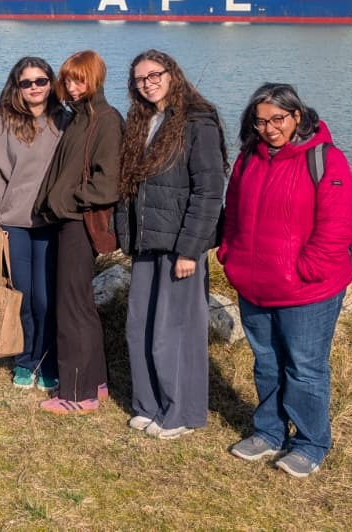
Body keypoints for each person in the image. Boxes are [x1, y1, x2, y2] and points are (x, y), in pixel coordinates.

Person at [218, 83, 352, 478]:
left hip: (307, 289)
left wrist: (305, 270)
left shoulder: (326, 159)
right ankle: (269, 432)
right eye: (260, 121)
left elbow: (336, 228)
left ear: (297, 116)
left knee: (305, 368)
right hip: (254, 283)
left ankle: (311, 443)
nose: (269, 128)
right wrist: (230, 254)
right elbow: (232, 213)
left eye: (278, 119)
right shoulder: (249, 159)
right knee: (265, 362)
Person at [115, 49, 227, 440]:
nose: (148, 83)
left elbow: (209, 192)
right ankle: (149, 403)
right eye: (140, 79)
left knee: (175, 331)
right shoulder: (143, 120)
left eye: (154, 74)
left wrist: (189, 250)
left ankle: (181, 411)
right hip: (148, 242)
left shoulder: (198, 122)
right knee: (139, 327)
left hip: (179, 246)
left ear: (172, 73)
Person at [33, 50, 123, 414]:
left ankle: (75, 393)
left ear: (95, 79)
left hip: (78, 222)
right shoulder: (81, 118)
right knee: (81, 305)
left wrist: (67, 199)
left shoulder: (105, 120)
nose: (71, 87)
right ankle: (95, 382)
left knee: (71, 308)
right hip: (68, 218)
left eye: (79, 80)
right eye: (67, 80)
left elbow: (109, 183)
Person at [0, 57, 65, 391]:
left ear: (51, 82)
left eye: (40, 81)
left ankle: (49, 360)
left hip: (53, 224)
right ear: (17, 87)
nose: (34, 88)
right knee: (22, 297)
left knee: (47, 299)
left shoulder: (65, 121)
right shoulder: (5, 123)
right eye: (26, 83)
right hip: (15, 226)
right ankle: (25, 360)